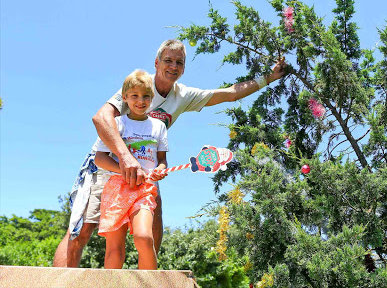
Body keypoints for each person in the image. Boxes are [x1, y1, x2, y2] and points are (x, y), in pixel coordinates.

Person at [53, 39, 286, 267]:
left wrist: (270, 77)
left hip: (145, 170)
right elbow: (101, 117)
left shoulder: (183, 96)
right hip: (106, 164)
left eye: (179, 62)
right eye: (168, 60)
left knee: (152, 225)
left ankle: (151, 280)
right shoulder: (139, 86)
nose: (173, 66)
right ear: (156, 63)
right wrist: (125, 158)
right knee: (81, 231)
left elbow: (231, 93)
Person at [94, 69, 167, 269]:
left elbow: (162, 160)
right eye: (134, 95)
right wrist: (124, 171)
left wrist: (161, 170)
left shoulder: (159, 127)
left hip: (144, 190)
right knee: (114, 249)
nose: (140, 101)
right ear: (124, 97)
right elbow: (100, 158)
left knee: (144, 238)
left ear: (152, 98)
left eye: (145, 96)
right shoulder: (116, 124)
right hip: (117, 188)